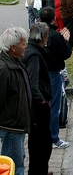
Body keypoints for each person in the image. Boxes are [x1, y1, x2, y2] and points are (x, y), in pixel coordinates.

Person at [21, 22, 53, 175]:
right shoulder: (34, 54)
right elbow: (33, 82)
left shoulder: (31, 49)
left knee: (38, 142)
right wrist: (41, 99)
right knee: (41, 142)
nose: (47, 39)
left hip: (35, 104)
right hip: (38, 106)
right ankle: (38, 171)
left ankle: (40, 169)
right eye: (47, 36)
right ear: (43, 37)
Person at [0, 27, 31, 175]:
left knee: (18, 161)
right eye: (23, 44)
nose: (26, 46)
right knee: (14, 167)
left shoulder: (16, 63)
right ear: (13, 47)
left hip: (17, 125)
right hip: (10, 127)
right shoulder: (4, 68)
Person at [39, 7, 72, 149]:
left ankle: (46, 135)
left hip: (41, 72)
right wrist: (65, 40)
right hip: (53, 72)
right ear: (53, 18)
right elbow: (66, 53)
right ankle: (53, 138)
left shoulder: (37, 32)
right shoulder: (54, 35)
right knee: (54, 107)